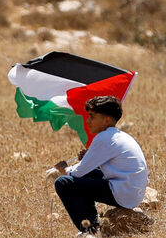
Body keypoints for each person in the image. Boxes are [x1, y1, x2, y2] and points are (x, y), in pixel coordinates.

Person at [54, 96, 148, 236]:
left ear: (107, 120)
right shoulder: (118, 136)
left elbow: (77, 173)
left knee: (63, 182)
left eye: (92, 116)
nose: (88, 120)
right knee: (85, 178)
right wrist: (88, 158)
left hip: (123, 193)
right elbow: (93, 168)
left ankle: (88, 231)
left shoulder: (104, 138)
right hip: (131, 192)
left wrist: (64, 169)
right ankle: (93, 226)